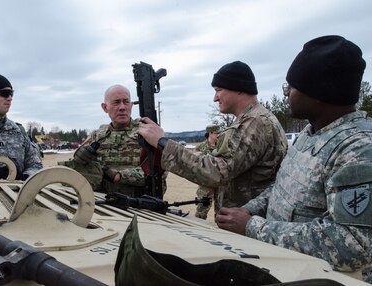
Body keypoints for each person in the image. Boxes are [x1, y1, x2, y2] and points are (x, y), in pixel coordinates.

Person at [214, 36, 372, 283]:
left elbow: (354, 245)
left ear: (319, 92)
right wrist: (248, 209)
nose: (286, 93)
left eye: (290, 87)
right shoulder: (312, 134)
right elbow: (282, 187)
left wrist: (252, 226)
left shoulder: (358, 148)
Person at [138, 61, 288, 213]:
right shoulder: (251, 119)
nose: (215, 98)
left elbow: (217, 172)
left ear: (239, 89)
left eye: (218, 90)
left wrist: (163, 143)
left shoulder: (254, 122)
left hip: (248, 223)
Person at [67, 84, 166, 197]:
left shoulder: (147, 132)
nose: (122, 107)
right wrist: (79, 158)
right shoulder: (97, 136)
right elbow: (75, 169)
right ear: (105, 107)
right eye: (116, 102)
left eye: (126, 102)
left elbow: (159, 172)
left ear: (131, 105)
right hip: (104, 203)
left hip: (141, 205)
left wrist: (119, 176)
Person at [194, 124, 220, 219]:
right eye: (217, 133)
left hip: (220, 184)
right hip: (206, 186)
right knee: (201, 212)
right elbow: (194, 165)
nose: (219, 135)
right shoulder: (200, 148)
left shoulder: (222, 147)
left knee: (221, 213)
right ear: (211, 133)